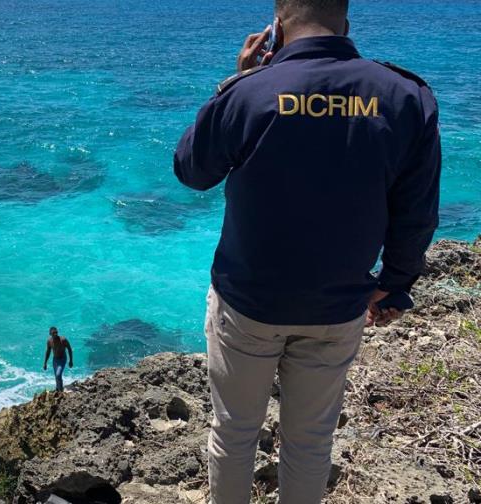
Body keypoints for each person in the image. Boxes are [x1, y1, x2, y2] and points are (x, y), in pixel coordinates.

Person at [173, 1, 440, 503]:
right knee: (311, 442)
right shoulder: (405, 96)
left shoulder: (248, 93)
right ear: (346, 22)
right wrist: (394, 284)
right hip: (337, 306)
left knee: (234, 434)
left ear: (275, 27)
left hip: (248, 303)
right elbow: (417, 211)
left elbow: (192, 170)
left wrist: (235, 83)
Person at [42, 327, 73, 392]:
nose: (55, 334)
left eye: (56, 332)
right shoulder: (49, 341)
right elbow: (48, 352)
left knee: (58, 375)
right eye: (53, 333)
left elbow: (69, 349)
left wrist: (71, 361)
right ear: (50, 334)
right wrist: (45, 363)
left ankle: (61, 391)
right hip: (55, 360)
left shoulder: (63, 340)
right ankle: (57, 389)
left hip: (62, 359)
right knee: (56, 376)